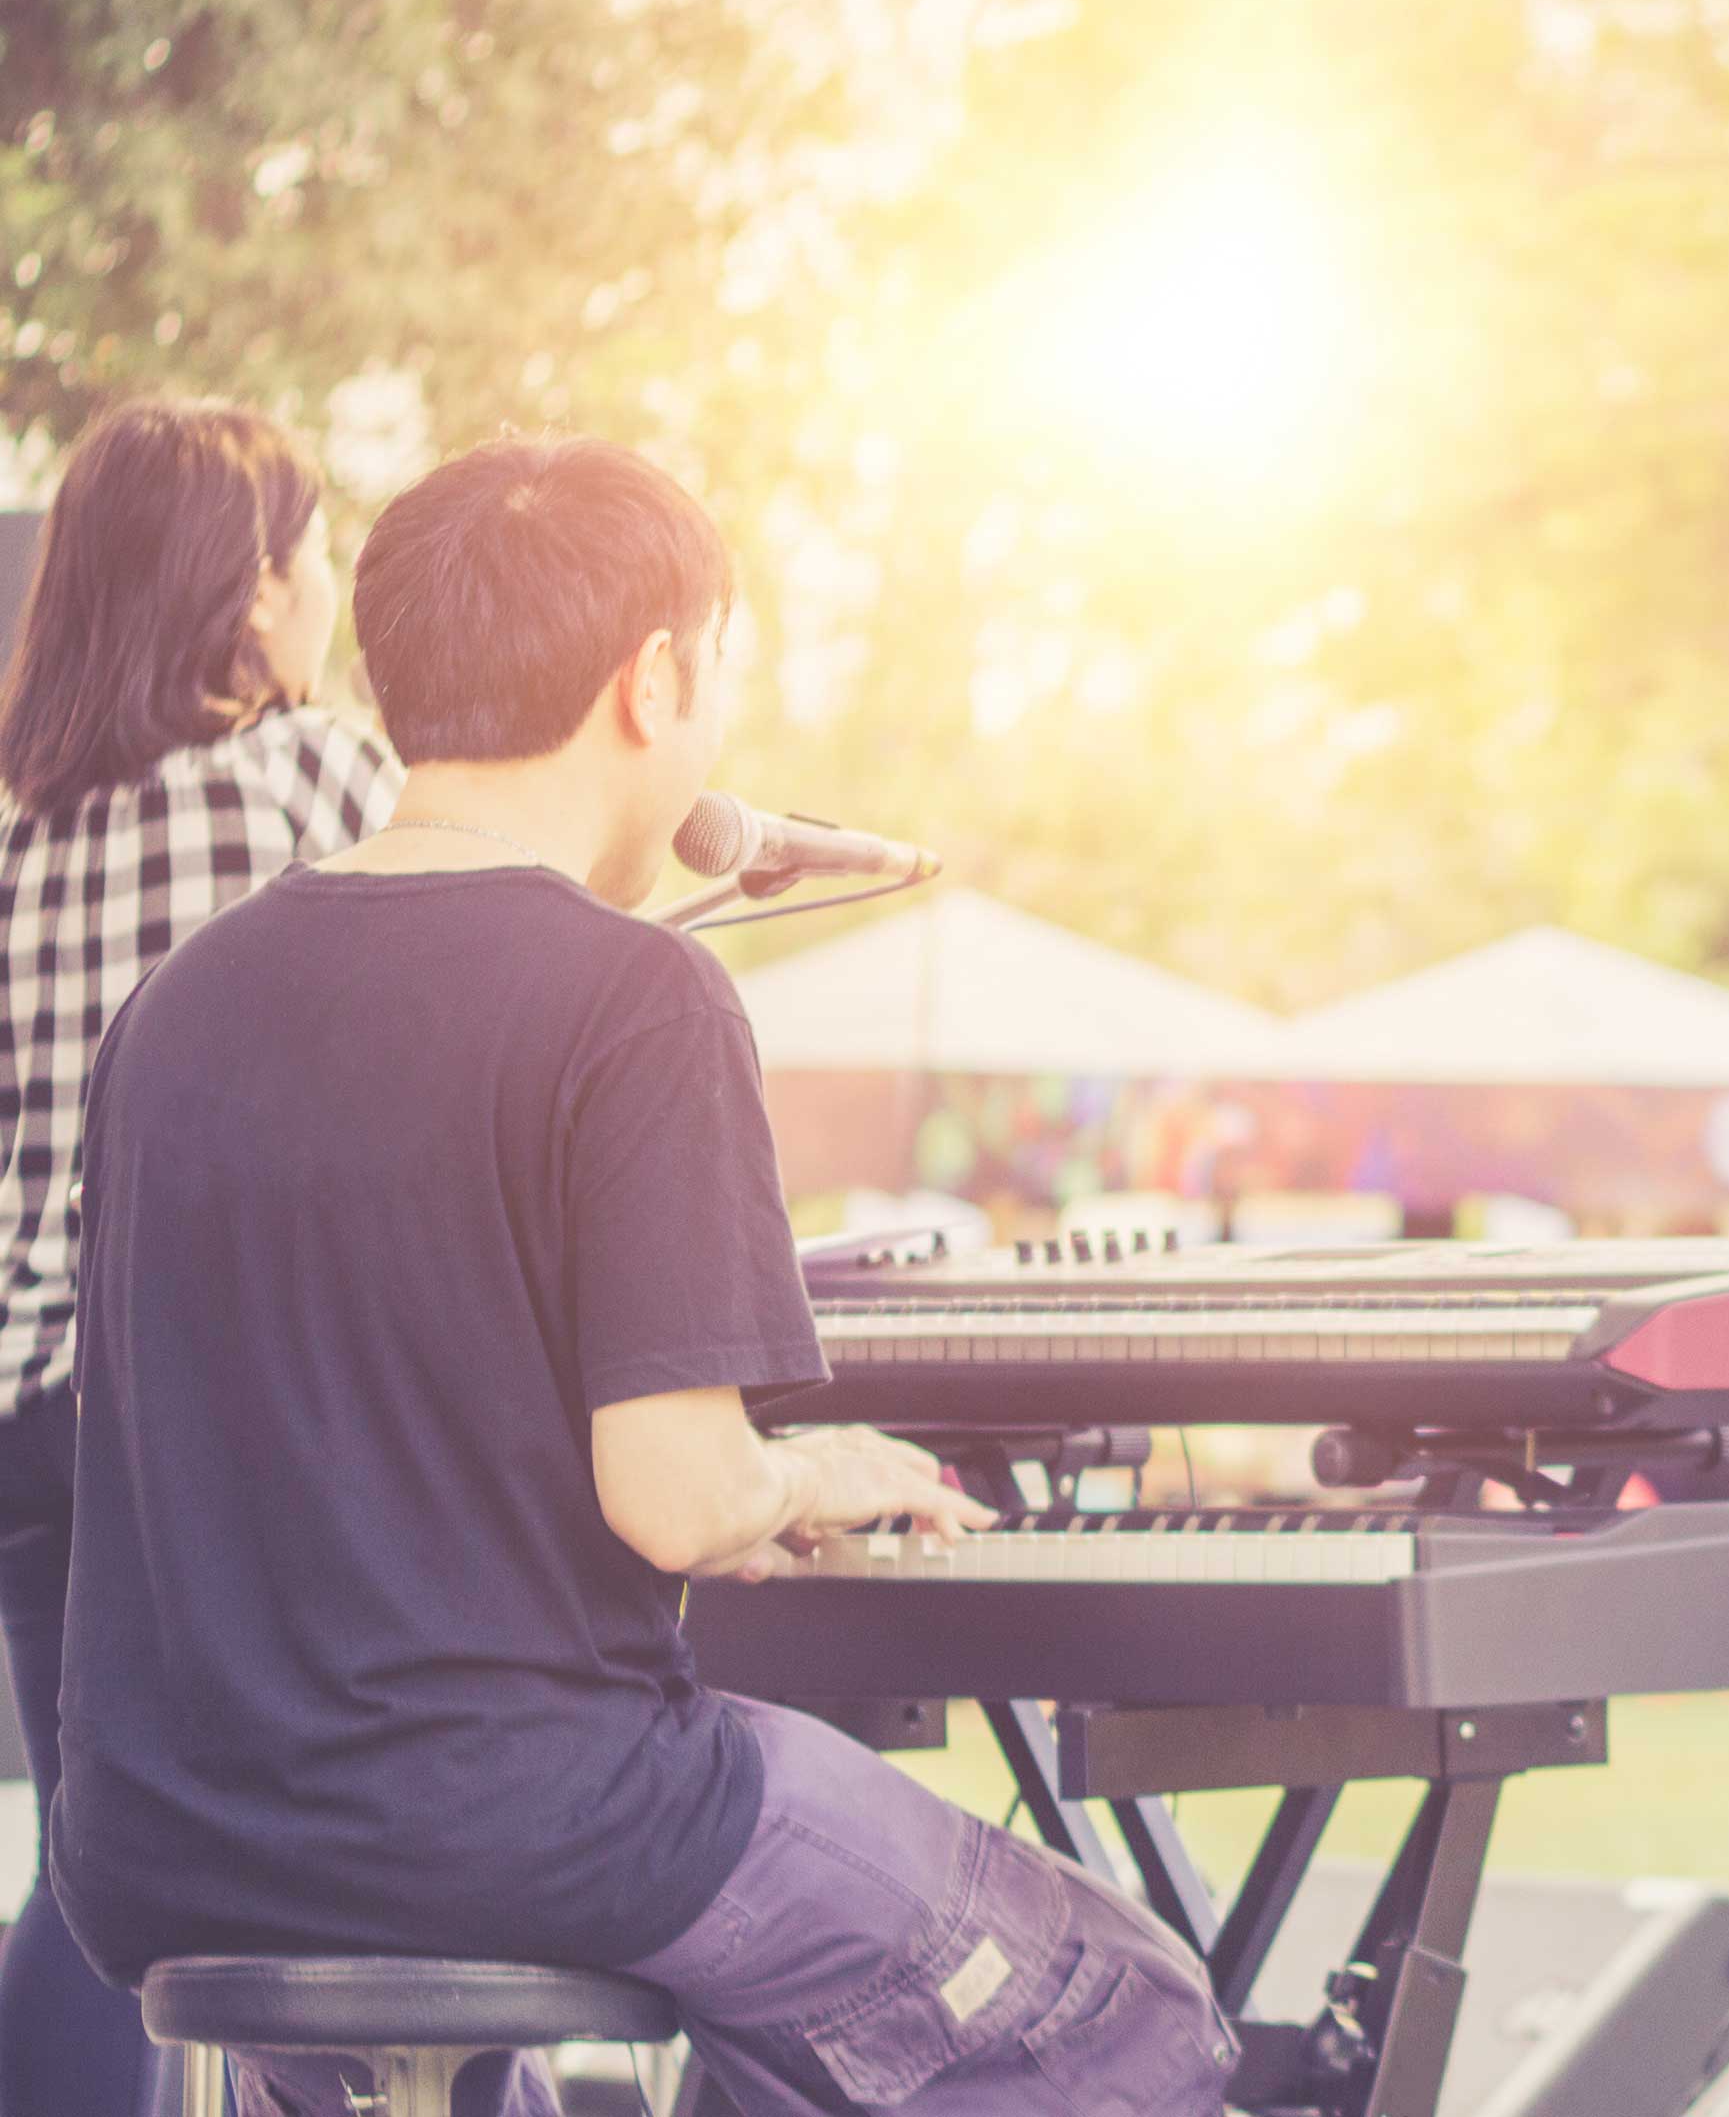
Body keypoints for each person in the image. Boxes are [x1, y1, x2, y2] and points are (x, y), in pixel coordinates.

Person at [50, 435, 1239, 2117]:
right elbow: (678, 1503)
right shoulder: (634, 998)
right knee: (1123, 2009)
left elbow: (317, 1438)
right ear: (656, 676)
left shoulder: (176, 1014)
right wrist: (807, 1474)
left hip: (177, 1842)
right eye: (718, 678)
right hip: (518, 1818)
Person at [0, 398, 400, 2116]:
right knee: (310, 1870)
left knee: (104, 1883)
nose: (328, 598)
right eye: (316, 558)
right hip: (232, 1428)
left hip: (35, 1423)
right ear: (251, 595)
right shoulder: (317, 777)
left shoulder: (14, 851)